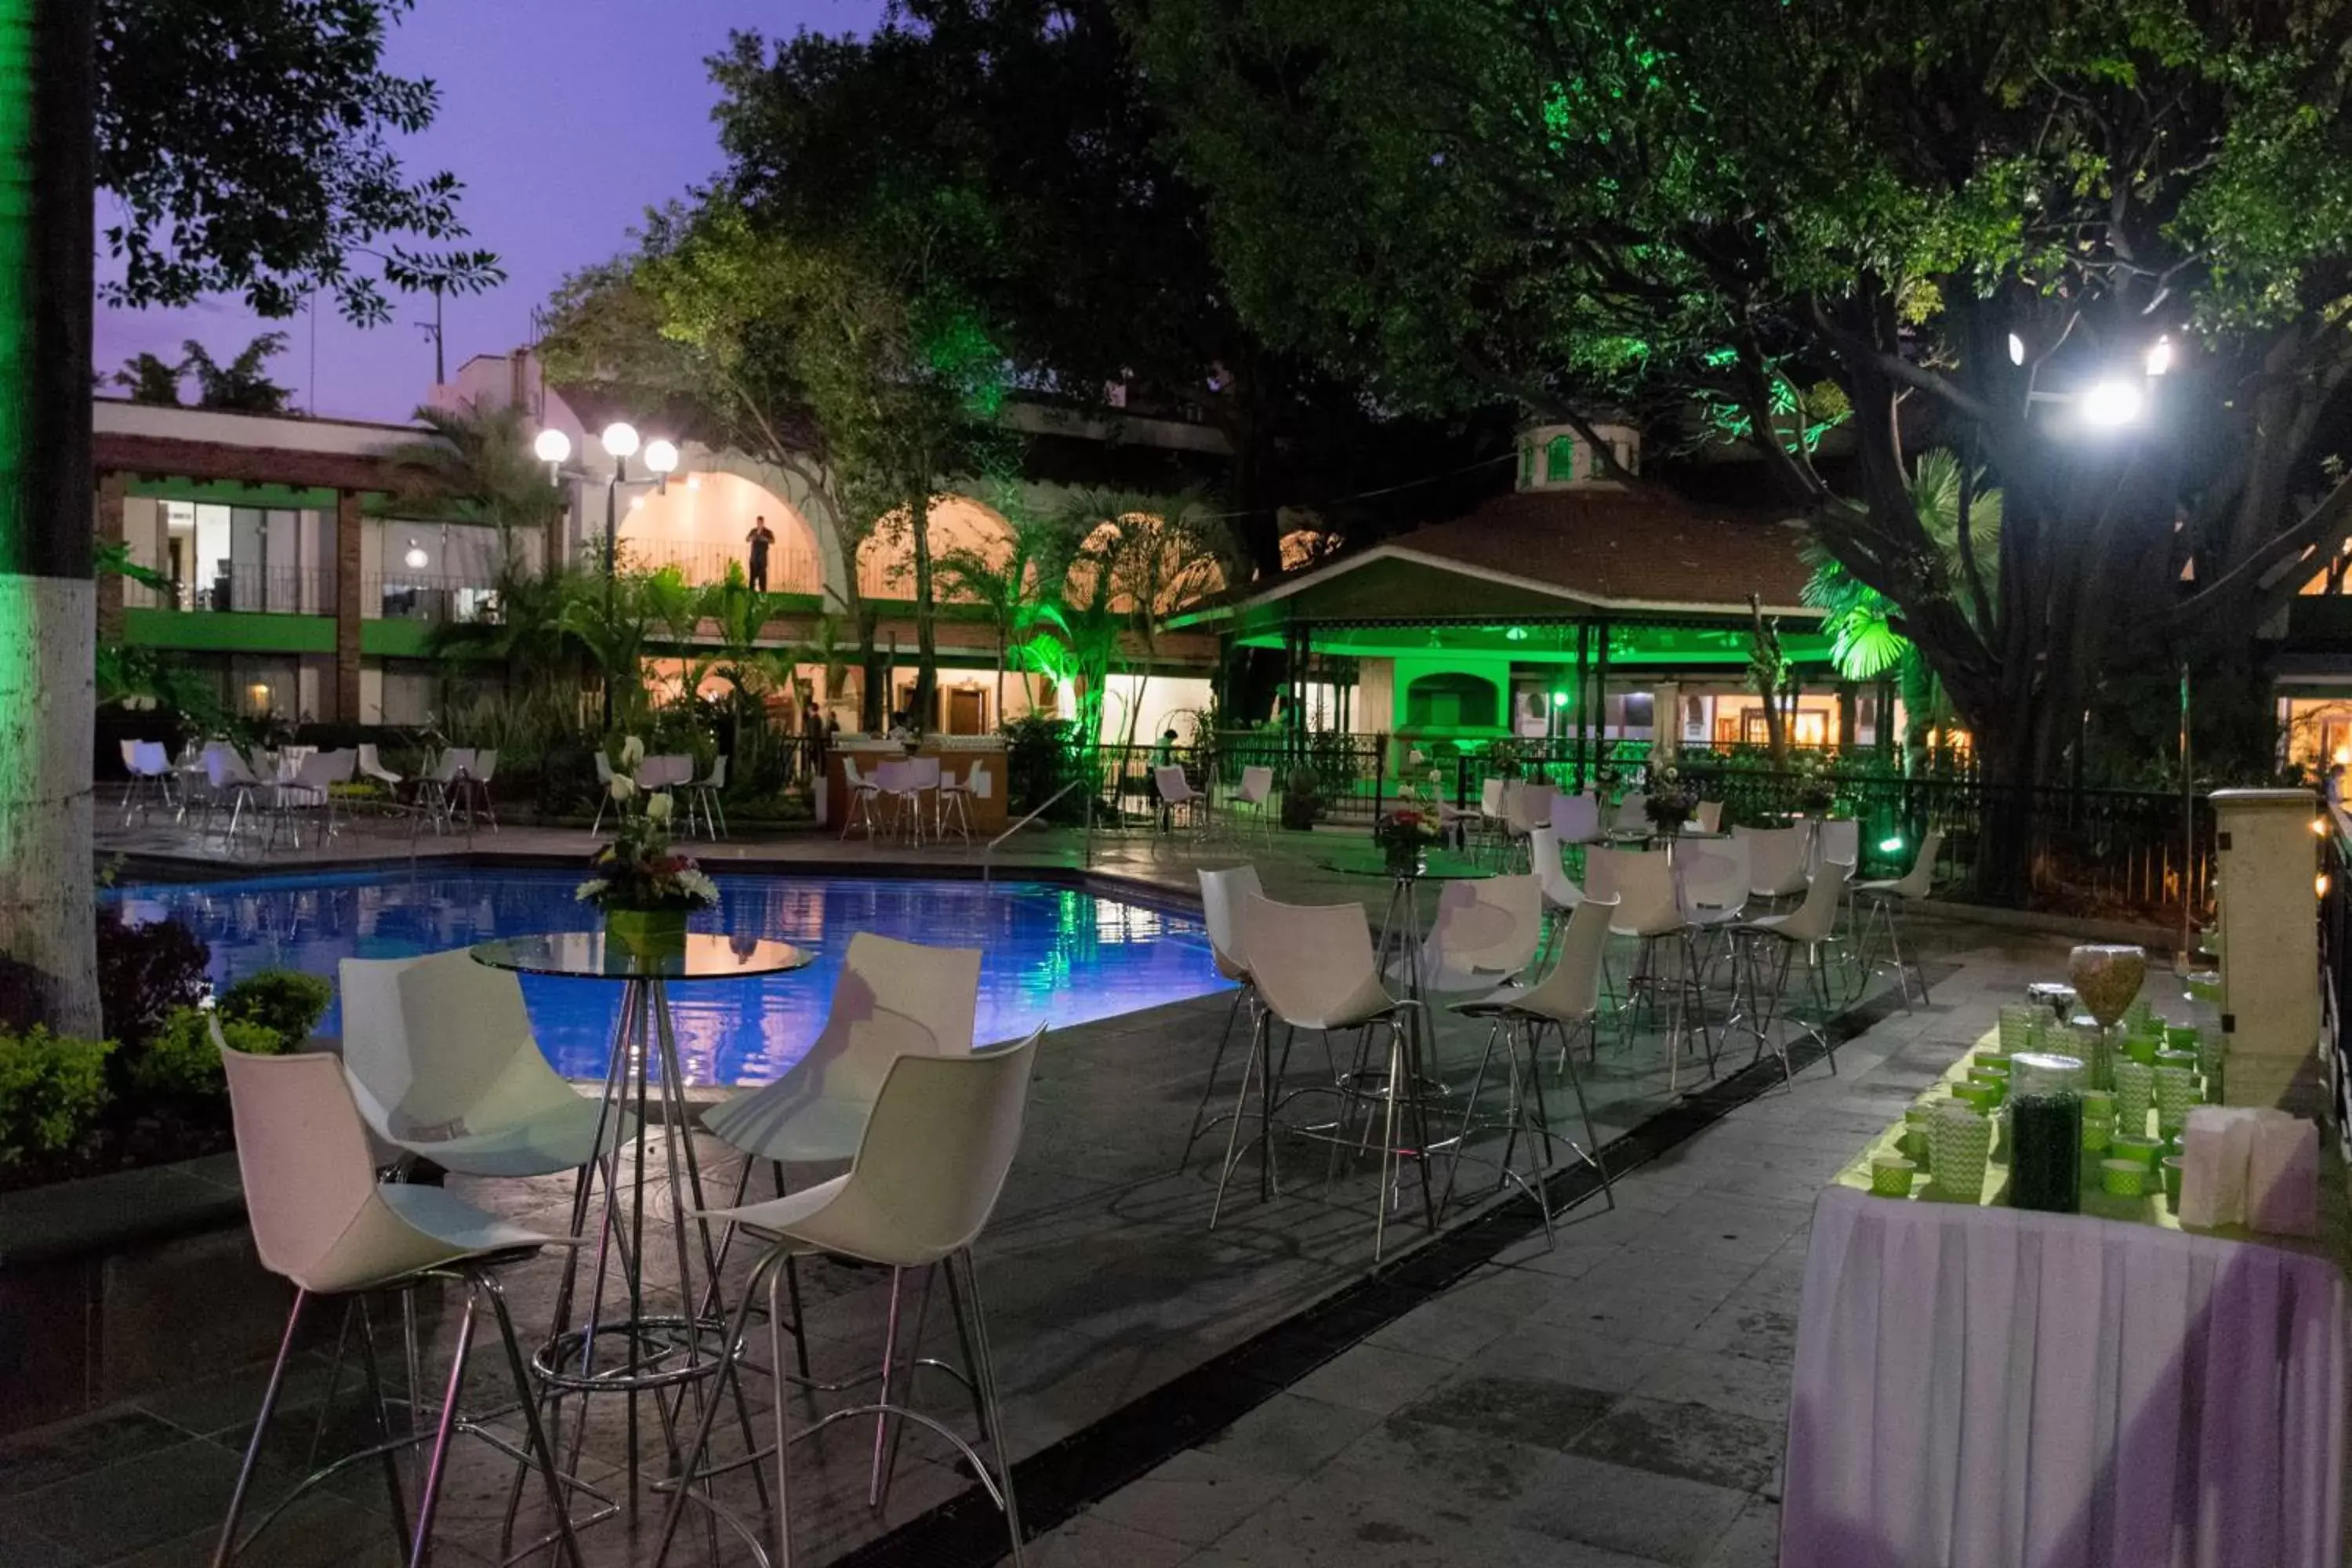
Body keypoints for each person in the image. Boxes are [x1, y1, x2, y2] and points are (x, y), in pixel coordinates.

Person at [746, 515, 776, 592]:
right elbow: (747, 539)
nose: (759, 524)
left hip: (762, 558)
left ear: (763, 522)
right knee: (752, 578)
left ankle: (763, 593)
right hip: (754, 558)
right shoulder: (754, 531)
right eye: (758, 522)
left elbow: (773, 541)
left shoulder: (767, 532)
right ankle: (751, 593)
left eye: (761, 522)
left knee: (762, 578)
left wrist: (765, 539)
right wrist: (752, 538)